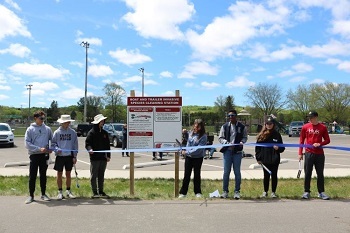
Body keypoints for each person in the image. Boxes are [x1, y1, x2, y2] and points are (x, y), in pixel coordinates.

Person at [299, 111, 331, 200]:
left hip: (319, 154)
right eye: (309, 117)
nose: (310, 119)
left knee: (320, 173)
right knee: (308, 173)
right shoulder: (305, 127)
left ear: (316, 117)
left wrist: (320, 143)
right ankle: (306, 191)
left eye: (311, 117)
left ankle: (321, 192)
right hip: (309, 153)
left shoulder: (323, 127)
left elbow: (327, 140)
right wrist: (300, 153)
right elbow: (301, 140)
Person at [24, 110, 53, 204]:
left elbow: (51, 140)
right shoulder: (30, 129)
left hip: (44, 156)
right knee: (32, 175)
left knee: (43, 175)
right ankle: (31, 195)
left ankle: (43, 194)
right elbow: (27, 143)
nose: (42, 120)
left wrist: (50, 148)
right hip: (34, 155)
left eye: (44, 118)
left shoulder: (47, 129)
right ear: (35, 118)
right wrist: (38, 148)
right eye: (41, 118)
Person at [218, 109, 248, 199]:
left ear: (236, 116)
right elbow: (220, 138)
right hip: (227, 151)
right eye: (229, 116)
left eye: (232, 115)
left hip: (237, 152)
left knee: (237, 172)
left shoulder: (242, 127)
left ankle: (237, 191)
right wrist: (226, 143)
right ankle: (225, 191)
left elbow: (245, 137)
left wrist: (242, 142)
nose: (231, 117)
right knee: (226, 172)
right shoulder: (224, 126)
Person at [255, 116, 285, 198]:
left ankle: (273, 192)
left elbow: (282, 148)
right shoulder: (262, 135)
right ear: (265, 124)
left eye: (270, 123)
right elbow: (257, 148)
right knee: (266, 176)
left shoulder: (277, 135)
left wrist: (278, 148)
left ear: (273, 124)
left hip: (274, 159)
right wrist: (258, 158)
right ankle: (265, 191)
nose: (269, 125)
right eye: (267, 124)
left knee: (274, 175)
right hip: (265, 159)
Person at [51, 115, 78, 200]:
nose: (68, 123)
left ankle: (68, 191)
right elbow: (53, 144)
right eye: (66, 122)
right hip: (60, 156)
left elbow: (75, 145)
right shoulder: (57, 132)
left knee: (68, 173)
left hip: (69, 156)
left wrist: (74, 156)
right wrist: (56, 149)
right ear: (62, 123)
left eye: (69, 122)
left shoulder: (73, 132)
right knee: (59, 174)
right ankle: (60, 191)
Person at [179, 119, 207, 198]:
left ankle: (197, 192)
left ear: (201, 127)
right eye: (195, 125)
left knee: (197, 174)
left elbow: (198, 149)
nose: (196, 127)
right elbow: (187, 139)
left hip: (198, 157)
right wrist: (184, 132)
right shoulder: (190, 133)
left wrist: (187, 152)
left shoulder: (203, 136)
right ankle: (183, 193)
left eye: (198, 126)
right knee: (186, 175)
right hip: (189, 158)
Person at [85, 114, 111, 198]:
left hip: (103, 158)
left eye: (103, 121)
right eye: (101, 121)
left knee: (101, 175)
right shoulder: (91, 133)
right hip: (94, 158)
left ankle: (101, 191)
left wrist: (108, 155)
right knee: (94, 176)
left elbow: (107, 146)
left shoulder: (105, 133)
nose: (102, 122)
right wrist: (90, 149)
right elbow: (87, 144)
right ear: (97, 122)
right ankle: (94, 192)